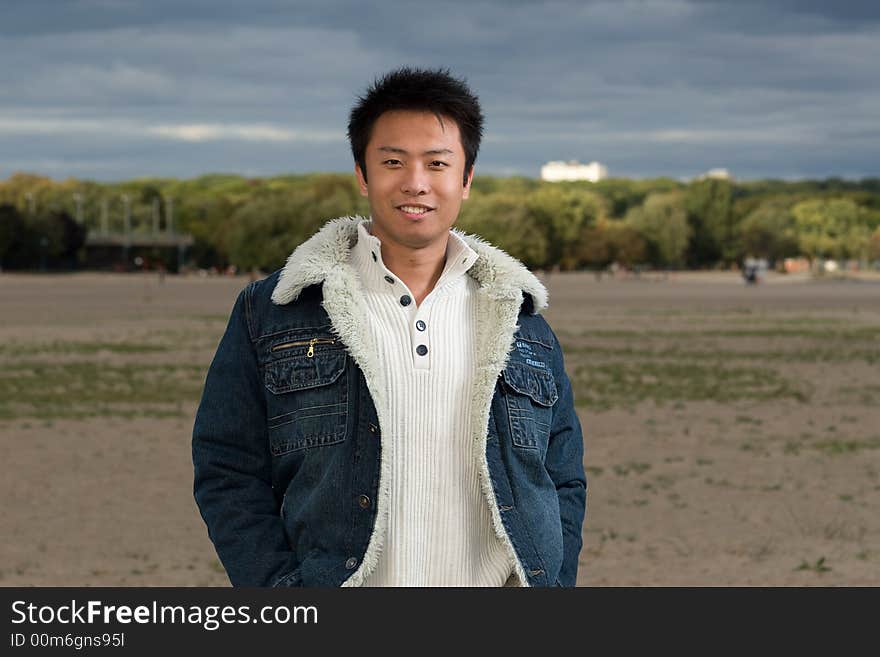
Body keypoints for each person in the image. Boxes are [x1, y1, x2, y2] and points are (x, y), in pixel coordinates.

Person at [192, 67, 587, 587]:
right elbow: (228, 469)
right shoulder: (273, 311)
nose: (416, 183)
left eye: (438, 163)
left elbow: (562, 480)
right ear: (362, 174)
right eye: (393, 162)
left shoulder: (521, 320)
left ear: (465, 179)